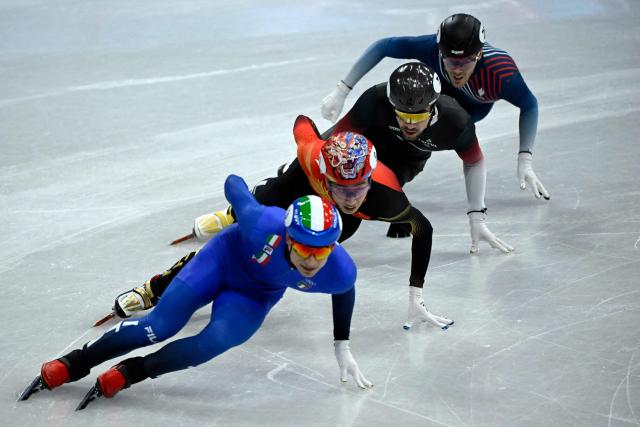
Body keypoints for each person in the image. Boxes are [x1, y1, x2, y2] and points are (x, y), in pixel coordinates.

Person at [19, 175, 372, 409]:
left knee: (212, 343)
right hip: (223, 259)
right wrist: (238, 208)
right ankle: (77, 362)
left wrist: (342, 346)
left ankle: (135, 371)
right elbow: (234, 183)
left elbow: (345, 291)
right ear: (287, 237)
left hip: (255, 293)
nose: (312, 261)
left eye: (322, 251)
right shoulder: (262, 223)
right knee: (158, 325)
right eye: (304, 249)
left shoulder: (339, 270)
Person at [113, 116, 454, 334]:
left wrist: (416, 295)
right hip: (302, 183)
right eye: (342, 187)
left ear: (369, 182)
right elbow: (303, 125)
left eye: (358, 188)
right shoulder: (311, 155)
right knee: (252, 221)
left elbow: (424, 229)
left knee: (303, 246)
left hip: (335, 216)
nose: (350, 197)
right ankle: (159, 285)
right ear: (327, 173)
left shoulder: (385, 198)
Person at [321, 13, 549, 200]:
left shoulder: (500, 72)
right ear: (441, 52)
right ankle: (307, 160)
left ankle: (383, 187)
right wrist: (342, 89)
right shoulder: (431, 47)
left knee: (409, 147)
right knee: (373, 122)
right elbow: (384, 46)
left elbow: (529, 105)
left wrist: (524, 158)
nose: (457, 69)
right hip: (423, 99)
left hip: (464, 112)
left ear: (479, 54)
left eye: (465, 61)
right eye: (450, 61)